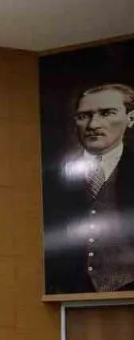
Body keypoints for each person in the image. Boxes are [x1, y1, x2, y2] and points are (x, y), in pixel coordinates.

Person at [44, 83, 134, 295]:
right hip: (67, 294)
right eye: (83, 116)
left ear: (130, 118)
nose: (93, 124)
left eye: (107, 113)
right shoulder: (50, 180)